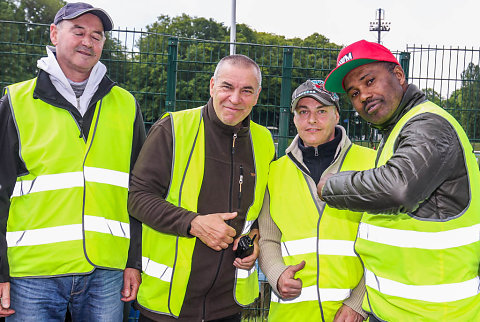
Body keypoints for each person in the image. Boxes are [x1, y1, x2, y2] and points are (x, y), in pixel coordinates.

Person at [0, 2, 145, 320]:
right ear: (54, 34)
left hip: (106, 271)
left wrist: (134, 261)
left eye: (97, 35)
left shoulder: (126, 105)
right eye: (78, 31)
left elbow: (140, 191)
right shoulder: (16, 103)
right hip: (32, 274)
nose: (88, 41)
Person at [318, 39, 480, 321]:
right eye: (354, 92)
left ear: (399, 75)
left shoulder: (428, 125)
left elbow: (399, 187)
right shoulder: (399, 129)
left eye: (370, 81)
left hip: (434, 314)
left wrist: (330, 185)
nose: (364, 96)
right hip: (398, 310)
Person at [127, 54, 275, 322]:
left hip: (228, 305)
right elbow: (137, 198)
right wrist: (193, 223)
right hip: (168, 304)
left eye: (246, 91)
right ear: (212, 86)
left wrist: (253, 240)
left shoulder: (264, 141)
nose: (235, 98)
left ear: (257, 96)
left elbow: (259, 212)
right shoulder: (172, 128)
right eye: (227, 87)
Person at [258, 80, 375, 322]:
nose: (312, 119)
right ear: (294, 118)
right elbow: (269, 238)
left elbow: (386, 243)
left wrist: (358, 303)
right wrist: (277, 275)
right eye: (303, 112)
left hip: (353, 314)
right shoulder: (275, 171)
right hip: (290, 314)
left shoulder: (372, 164)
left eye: (321, 111)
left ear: (337, 115)